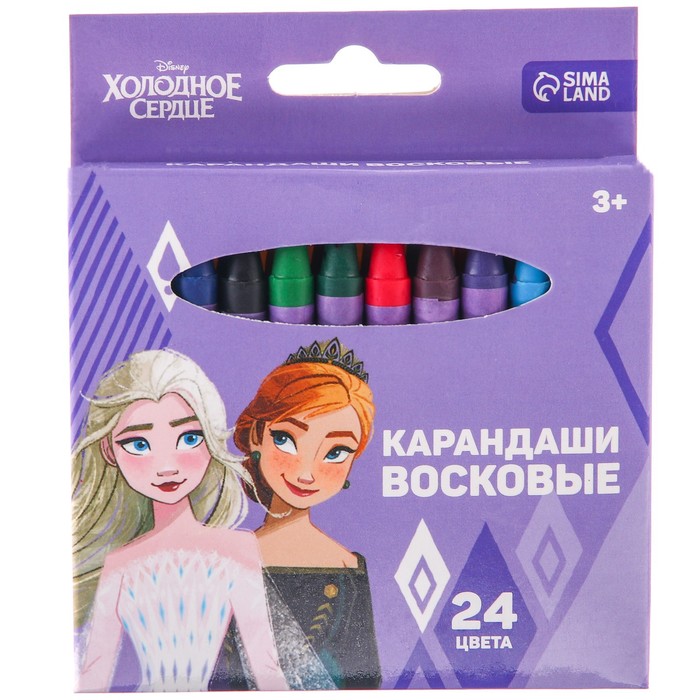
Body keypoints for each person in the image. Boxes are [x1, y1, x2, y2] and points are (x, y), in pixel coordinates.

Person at [72, 349, 289, 692]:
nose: (167, 467)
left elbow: (265, 665)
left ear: (210, 438)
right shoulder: (119, 566)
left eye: (189, 438)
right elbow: (94, 676)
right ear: (110, 452)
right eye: (139, 444)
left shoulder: (238, 549)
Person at [210, 338, 382, 690]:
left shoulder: (348, 567)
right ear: (255, 436)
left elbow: (365, 679)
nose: (306, 473)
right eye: (286, 439)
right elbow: (214, 679)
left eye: (336, 452)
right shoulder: (225, 561)